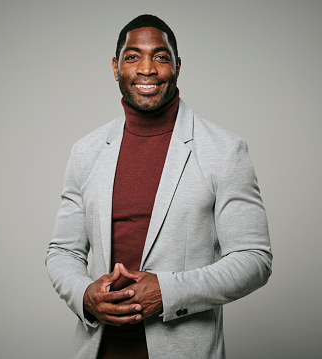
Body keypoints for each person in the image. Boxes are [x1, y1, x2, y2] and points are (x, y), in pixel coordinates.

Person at [46, 14, 272, 359]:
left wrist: (168, 291)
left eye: (161, 57)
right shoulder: (86, 151)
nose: (147, 69)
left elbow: (254, 259)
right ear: (116, 66)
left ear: (178, 66)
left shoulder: (224, 150)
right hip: (97, 349)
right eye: (133, 56)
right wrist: (85, 295)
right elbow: (64, 252)